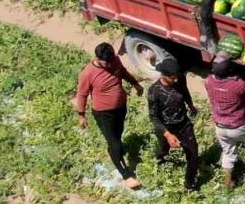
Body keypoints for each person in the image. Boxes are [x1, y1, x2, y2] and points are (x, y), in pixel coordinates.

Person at [75, 42, 144, 189]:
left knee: (117, 137)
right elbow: (81, 95)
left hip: (120, 108)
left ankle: (113, 151)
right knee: (116, 144)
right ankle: (127, 175)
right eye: (106, 62)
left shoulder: (115, 60)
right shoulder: (88, 73)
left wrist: (135, 84)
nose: (109, 65)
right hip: (103, 113)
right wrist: (81, 115)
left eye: (111, 61)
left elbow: (123, 72)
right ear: (98, 58)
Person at [205, 55, 245, 188]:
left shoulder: (208, 81)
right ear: (231, 70)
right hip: (240, 125)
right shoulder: (238, 85)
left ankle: (228, 181)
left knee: (228, 152)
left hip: (220, 126)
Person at [146, 57, 200, 192]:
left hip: (183, 124)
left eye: (176, 76)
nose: (175, 80)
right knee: (164, 149)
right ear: (163, 75)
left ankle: (189, 184)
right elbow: (153, 116)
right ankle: (160, 160)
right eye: (172, 78)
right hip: (166, 127)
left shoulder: (179, 78)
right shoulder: (154, 91)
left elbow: (185, 91)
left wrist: (190, 105)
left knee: (193, 154)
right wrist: (168, 134)